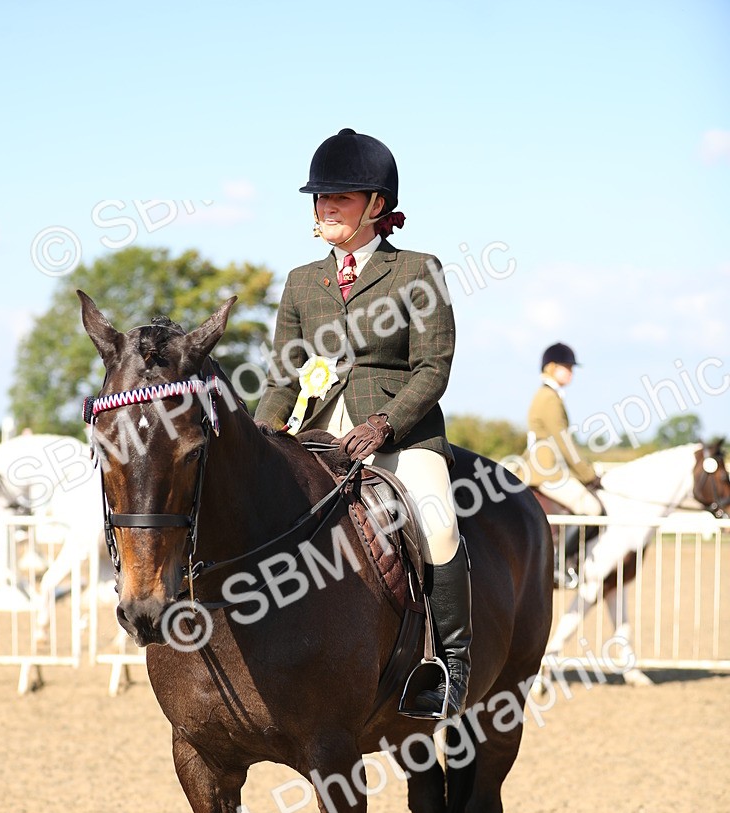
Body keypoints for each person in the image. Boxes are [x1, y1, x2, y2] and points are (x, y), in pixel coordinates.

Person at [255, 128, 471, 717]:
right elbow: (282, 375)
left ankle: (448, 666)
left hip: (400, 434)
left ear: (376, 206)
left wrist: (383, 425)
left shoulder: (417, 270)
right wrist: (261, 437)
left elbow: (434, 366)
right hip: (318, 431)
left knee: (438, 524)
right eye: (320, 199)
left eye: (340, 198)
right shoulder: (302, 281)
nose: (324, 207)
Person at [523, 343, 603, 584]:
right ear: (551, 367)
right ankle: (558, 565)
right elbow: (564, 442)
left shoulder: (550, 395)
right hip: (545, 471)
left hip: (547, 468)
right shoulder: (549, 398)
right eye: (566, 366)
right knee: (592, 509)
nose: (571, 371)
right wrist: (589, 474)